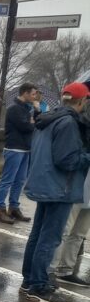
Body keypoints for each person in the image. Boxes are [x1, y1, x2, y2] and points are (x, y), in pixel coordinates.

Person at [20, 83, 90, 302]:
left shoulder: (48, 118)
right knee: (50, 237)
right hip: (61, 187)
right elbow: (67, 160)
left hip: (45, 183)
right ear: (82, 101)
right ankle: (39, 285)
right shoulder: (69, 123)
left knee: (38, 234)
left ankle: (29, 279)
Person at [48, 85, 90, 287]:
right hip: (79, 178)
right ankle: (52, 268)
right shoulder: (78, 120)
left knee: (80, 230)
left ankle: (66, 268)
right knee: (65, 227)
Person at [0, 83, 38, 223]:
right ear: (25, 93)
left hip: (25, 148)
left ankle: (13, 207)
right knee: (7, 180)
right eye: (32, 94)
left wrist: (36, 113)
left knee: (19, 181)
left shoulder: (27, 109)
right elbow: (25, 127)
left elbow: (36, 124)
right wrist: (31, 123)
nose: (35, 96)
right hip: (14, 148)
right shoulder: (14, 109)